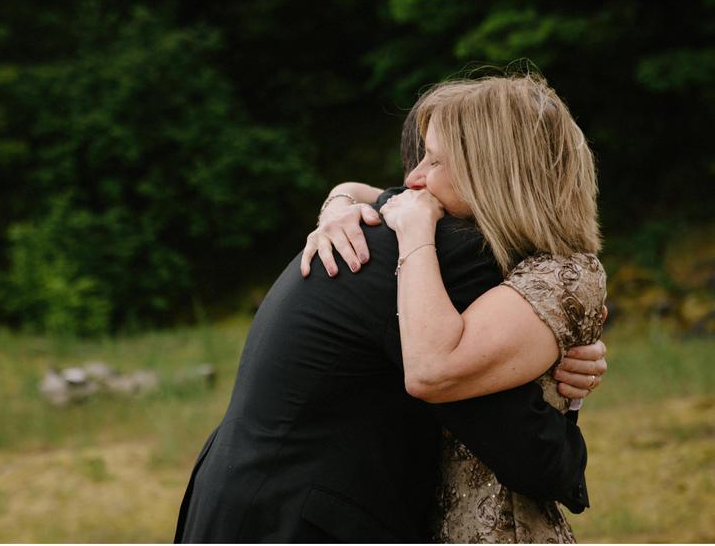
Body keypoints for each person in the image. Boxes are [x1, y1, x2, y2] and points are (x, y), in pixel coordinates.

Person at [174, 76, 607, 544]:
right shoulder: (449, 253)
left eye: (436, 161)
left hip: (242, 502)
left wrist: (340, 195)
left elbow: (370, 194)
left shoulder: (394, 232)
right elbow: (529, 456)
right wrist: (561, 399)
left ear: (494, 171)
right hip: (301, 523)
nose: (412, 178)